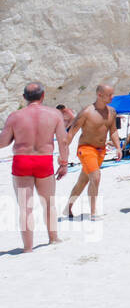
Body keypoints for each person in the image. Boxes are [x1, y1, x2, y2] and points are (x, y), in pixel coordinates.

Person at [0, 82, 71, 252]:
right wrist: (64, 163)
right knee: (49, 203)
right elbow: (63, 141)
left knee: (25, 207)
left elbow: (2, 142)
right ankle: (53, 238)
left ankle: (28, 248)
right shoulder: (54, 115)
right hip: (44, 160)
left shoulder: (15, 116)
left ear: (24, 97)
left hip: (22, 161)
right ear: (43, 96)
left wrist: (14, 138)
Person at [61, 84, 120, 220]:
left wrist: (118, 147)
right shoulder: (87, 112)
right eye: (110, 95)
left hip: (101, 151)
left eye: (113, 94)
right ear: (99, 95)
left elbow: (114, 131)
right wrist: (64, 153)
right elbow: (71, 132)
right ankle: (93, 213)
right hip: (86, 149)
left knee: (83, 181)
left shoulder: (112, 112)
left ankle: (68, 206)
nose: (113, 97)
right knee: (96, 176)